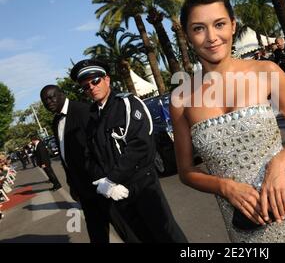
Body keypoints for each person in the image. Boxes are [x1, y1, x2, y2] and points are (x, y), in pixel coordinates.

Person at [171, 0, 285, 243]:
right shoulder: (181, 99)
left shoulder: (266, 72)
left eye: (219, 24)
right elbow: (186, 171)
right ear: (189, 36)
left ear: (233, 26)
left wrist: (278, 164)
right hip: (244, 227)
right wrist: (224, 186)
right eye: (199, 28)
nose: (212, 36)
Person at [70, 59, 187, 243]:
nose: (91, 87)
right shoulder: (92, 117)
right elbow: (90, 156)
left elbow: (141, 146)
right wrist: (103, 181)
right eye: (85, 86)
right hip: (115, 193)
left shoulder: (127, 103)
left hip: (142, 185)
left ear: (107, 80)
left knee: (166, 235)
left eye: (95, 81)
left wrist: (112, 178)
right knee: (140, 238)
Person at [40, 85, 112, 243]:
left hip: (102, 183)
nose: (49, 102)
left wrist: (108, 178)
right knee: (96, 231)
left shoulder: (83, 111)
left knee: (124, 227)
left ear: (62, 94)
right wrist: (72, 183)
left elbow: (100, 147)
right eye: (45, 100)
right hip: (83, 188)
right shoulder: (55, 121)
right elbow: (67, 157)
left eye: (52, 97)